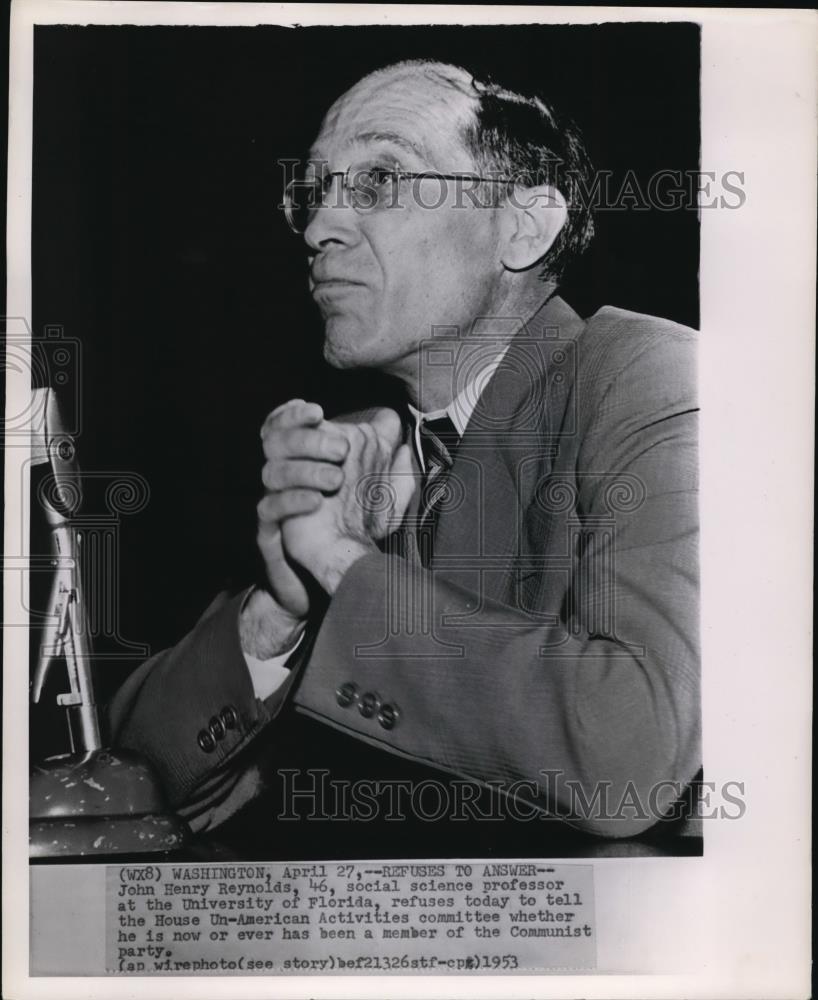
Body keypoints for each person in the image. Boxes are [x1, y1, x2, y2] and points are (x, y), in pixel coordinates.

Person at [109, 60, 699, 848]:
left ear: (524, 225)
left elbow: (632, 757)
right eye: (312, 192)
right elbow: (127, 794)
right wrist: (279, 606)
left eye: (381, 178)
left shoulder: (647, 374)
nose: (320, 225)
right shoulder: (362, 464)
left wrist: (348, 568)